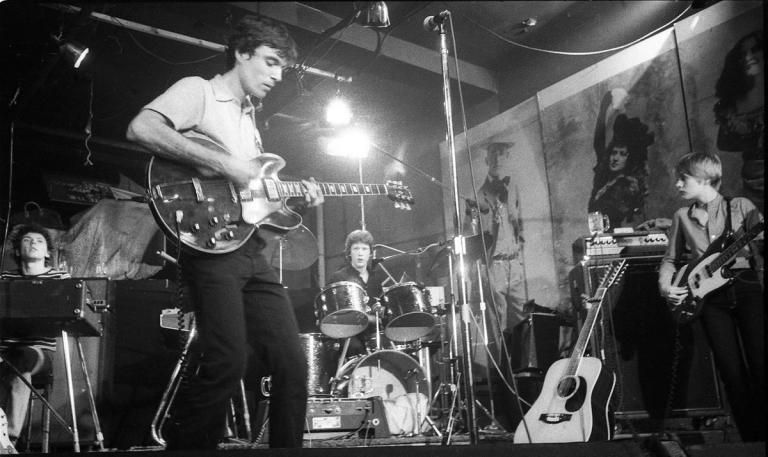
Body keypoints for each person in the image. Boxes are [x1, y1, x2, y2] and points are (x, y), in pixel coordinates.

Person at [126, 15, 323, 449]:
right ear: (242, 53)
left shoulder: (251, 120)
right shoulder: (199, 90)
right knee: (227, 360)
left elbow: (251, 200)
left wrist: (290, 200)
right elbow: (141, 128)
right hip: (212, 250)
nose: (276, 76)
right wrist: (222, 163)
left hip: (252, 251)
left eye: (282, 69)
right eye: (270, 62)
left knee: (293, 363)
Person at [658, 152, 764, 442]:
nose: (677, 183)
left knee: (761, 364)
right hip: (709, 300)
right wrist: (667, 286)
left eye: (684, 178)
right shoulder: (682, 216)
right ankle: (752, 441)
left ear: (704, 179)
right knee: (731, 373)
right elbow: (670, 260)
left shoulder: (740, 206)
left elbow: (760, 243)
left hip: (745, 288)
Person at [0, 223, 70, 447]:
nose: (33, 244)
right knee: (12, 361)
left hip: (39, 354)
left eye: (39, 241)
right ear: (18, 251)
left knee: (20, 358)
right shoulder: (4, 279)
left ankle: (9, 439)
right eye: (27, 241)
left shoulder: (60, 279)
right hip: (4, 352)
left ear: (48, 252)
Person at [465, 142, 526, 332]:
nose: (498, 159)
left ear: (507, 157)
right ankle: (502, 362)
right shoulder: (477, 197)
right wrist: (482, 274)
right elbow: (471, 241)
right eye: (493, 154)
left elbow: (521, 227)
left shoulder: (514, 188)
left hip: (514, 265)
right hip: (494, 267)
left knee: (523, 320)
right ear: (486, 160)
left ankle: (525, 363)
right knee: (500, 323)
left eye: (502, 154)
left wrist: (519, 259)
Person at [714, 30, 764, 213]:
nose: (749, 57)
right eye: (743, 53)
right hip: (754, 182)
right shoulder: (733, 107)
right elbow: (725, 143)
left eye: (755, 50)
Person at [588, 89, 654, 228]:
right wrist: (605, 106)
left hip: (615, 239)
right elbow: (598, 142)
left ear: (630, 159)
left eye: (622, 154)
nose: (615, 158)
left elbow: (613, 216)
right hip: (600, 237)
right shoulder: (605, 175)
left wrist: (621, 111)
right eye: (614, 153)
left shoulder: (628, 184)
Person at [327, 229, 389, 354]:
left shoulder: (376, 279)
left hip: (373, 332)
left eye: (364, 249)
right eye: (356, 249)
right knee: (354, 347)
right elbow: (335, 314)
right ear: (349, 252)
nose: (360, 253)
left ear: (370, 253)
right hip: (349, 333)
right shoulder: (339, 277)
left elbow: (382, 312)